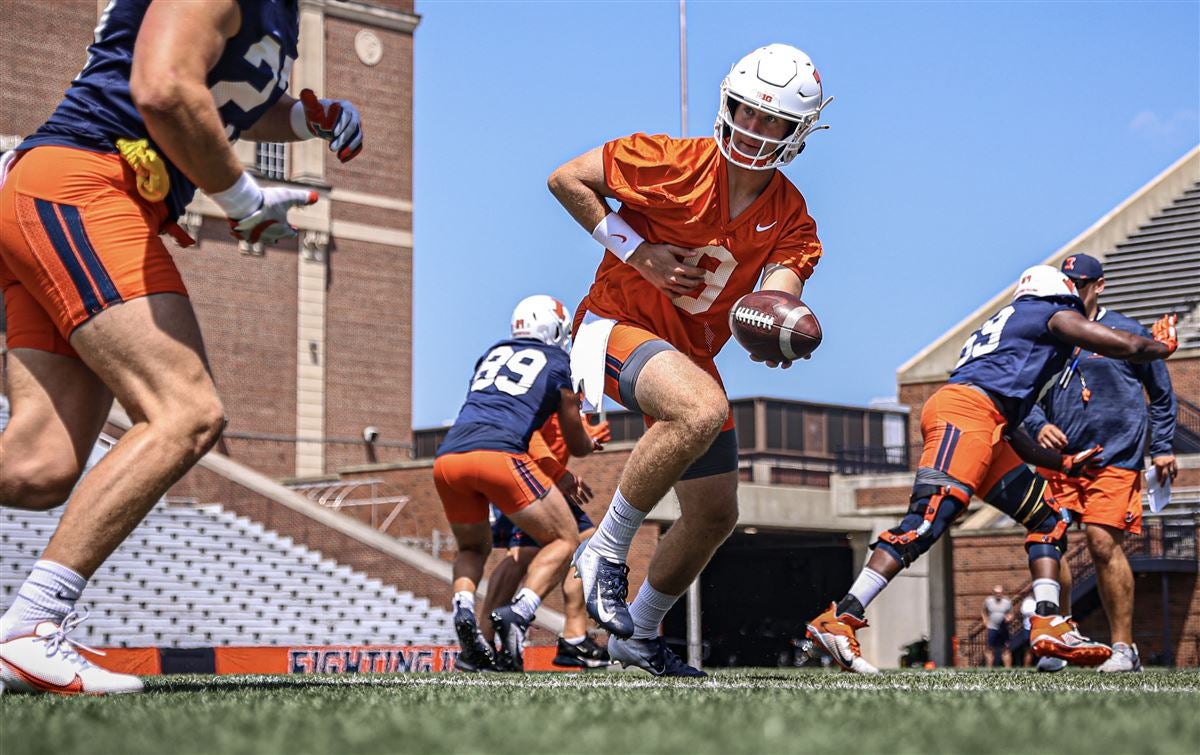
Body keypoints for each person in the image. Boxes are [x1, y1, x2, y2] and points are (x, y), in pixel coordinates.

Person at [0, 0, 363, 695]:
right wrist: (243, 198)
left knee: (38, 464)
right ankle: (29, 629)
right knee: (185, 412)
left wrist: (303, 118)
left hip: (70, 192)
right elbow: (165, 88)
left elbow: (226, 97)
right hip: (85, 184)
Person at [548, 43, 832, 677]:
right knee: (701, 407)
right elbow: (566, 178)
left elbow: (778, 294)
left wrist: (779, 330)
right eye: (745, 112)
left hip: (687, 353)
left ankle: (639, 634)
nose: (754, 130)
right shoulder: (671, 161)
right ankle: (606, 549)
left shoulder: (793, 218)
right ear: (725, 104)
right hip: (613, 326)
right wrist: (637, 251)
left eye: (772, 121)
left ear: (798, 132)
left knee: (715, 513)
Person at [806, 265, 1178, 673]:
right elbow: (1120, 343)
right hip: (967, 414)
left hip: (990, 421)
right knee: (930, 517)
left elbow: (1013, 428)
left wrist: (1062, 462)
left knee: (1047, 516)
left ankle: (1050, 619)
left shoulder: (1017, 324)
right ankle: (841, 617)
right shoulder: (1048, 311)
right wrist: (1158, 347)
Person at [1024, 253, 1176, 673]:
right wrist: (1038, 425)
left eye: (1082, 283)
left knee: (1102, 542)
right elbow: (1022, 395)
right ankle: (1060, 637)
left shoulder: (1127, 331)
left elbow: (1162, 396)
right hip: (1060, 460)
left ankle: (1124, 649)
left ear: (1100, 285)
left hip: (1115, 456)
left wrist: (1162, 446)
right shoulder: (1050, 333)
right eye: (1067, 283)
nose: (1074, 290)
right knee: (1049, 543)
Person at [435, 295, 599, 672]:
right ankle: (520, 612)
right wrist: (589, 439)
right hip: (500, 456)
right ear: (555, 328)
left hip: (449, 456)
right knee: (566, 538)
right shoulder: (561, 363)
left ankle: (464, 608)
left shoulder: (492, 353)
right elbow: (577, 444)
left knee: (474, 548)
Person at [479, 413, 614, 670]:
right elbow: (527, 427)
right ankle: (484, 642)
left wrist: (587, 434)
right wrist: (557, 471)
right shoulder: (555, 377)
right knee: (524, 554)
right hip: (524, 475)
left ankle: (574, 636)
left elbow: (564, 430)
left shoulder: (575, 385)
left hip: (543, 481)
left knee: (588, 545)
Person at [981, 585, 1013, 668]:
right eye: (996, 593)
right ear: (993, 593)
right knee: (989, 649)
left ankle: (1008, 670)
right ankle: (989, 670)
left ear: (1002, 593)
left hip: (1003, 628)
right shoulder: (988, 601)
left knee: (1006, 649)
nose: (998, 594)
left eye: (1000, 592)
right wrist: (985, 620)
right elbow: (983, 611)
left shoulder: (1007, 602)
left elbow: (1011, 613)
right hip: (992, 628)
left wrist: (1009, 617)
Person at [1008, 595, 1037, 667]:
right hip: (1030, 629)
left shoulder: (1029, 603)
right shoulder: (1033, 603)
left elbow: (1022, 612)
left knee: (1028, 650)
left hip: (1031, 629)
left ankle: (1028, 665)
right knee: (1028, 650)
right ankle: (1027, 666)